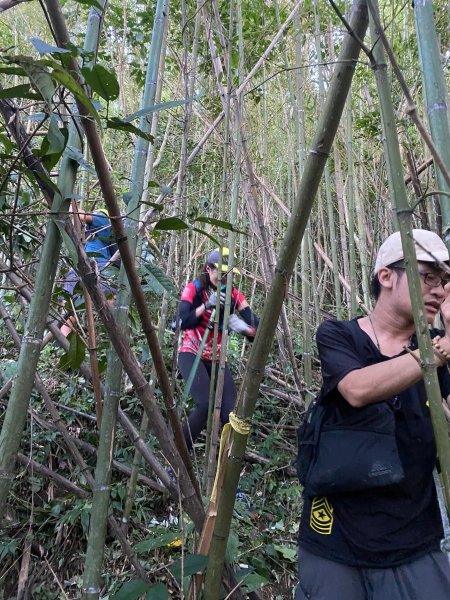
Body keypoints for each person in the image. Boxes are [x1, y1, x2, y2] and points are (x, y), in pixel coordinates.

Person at [296, 229, 450, 600]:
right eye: (428, 276)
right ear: (386, 275)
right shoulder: (340, 335)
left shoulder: (438, 351)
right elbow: (357, 389)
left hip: (412, 537)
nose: (440, 290)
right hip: (336, 538)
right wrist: (441, 350)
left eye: (446, 281)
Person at [178, 248, 259, 451]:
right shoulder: (194, 289)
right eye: (220, 273)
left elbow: (257, 329)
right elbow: (182, 320)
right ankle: (177, 456)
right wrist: (206, 305)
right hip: (191, 352)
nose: (224, 278)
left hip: (216, 359)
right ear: (208, 269)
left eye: (228, 275)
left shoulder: (235, 294)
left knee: (231, 415)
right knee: (205, 405)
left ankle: (226, 470)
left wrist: (241, 326)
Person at [61, 207, 117, 336]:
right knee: (70, 309)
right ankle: (62, 341)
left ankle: (62, 341)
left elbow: (81, 215)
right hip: (84, 268)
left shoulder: (103, 220)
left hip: (98, 267)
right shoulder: (91, 234)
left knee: (70, 311)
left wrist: (68, 204)